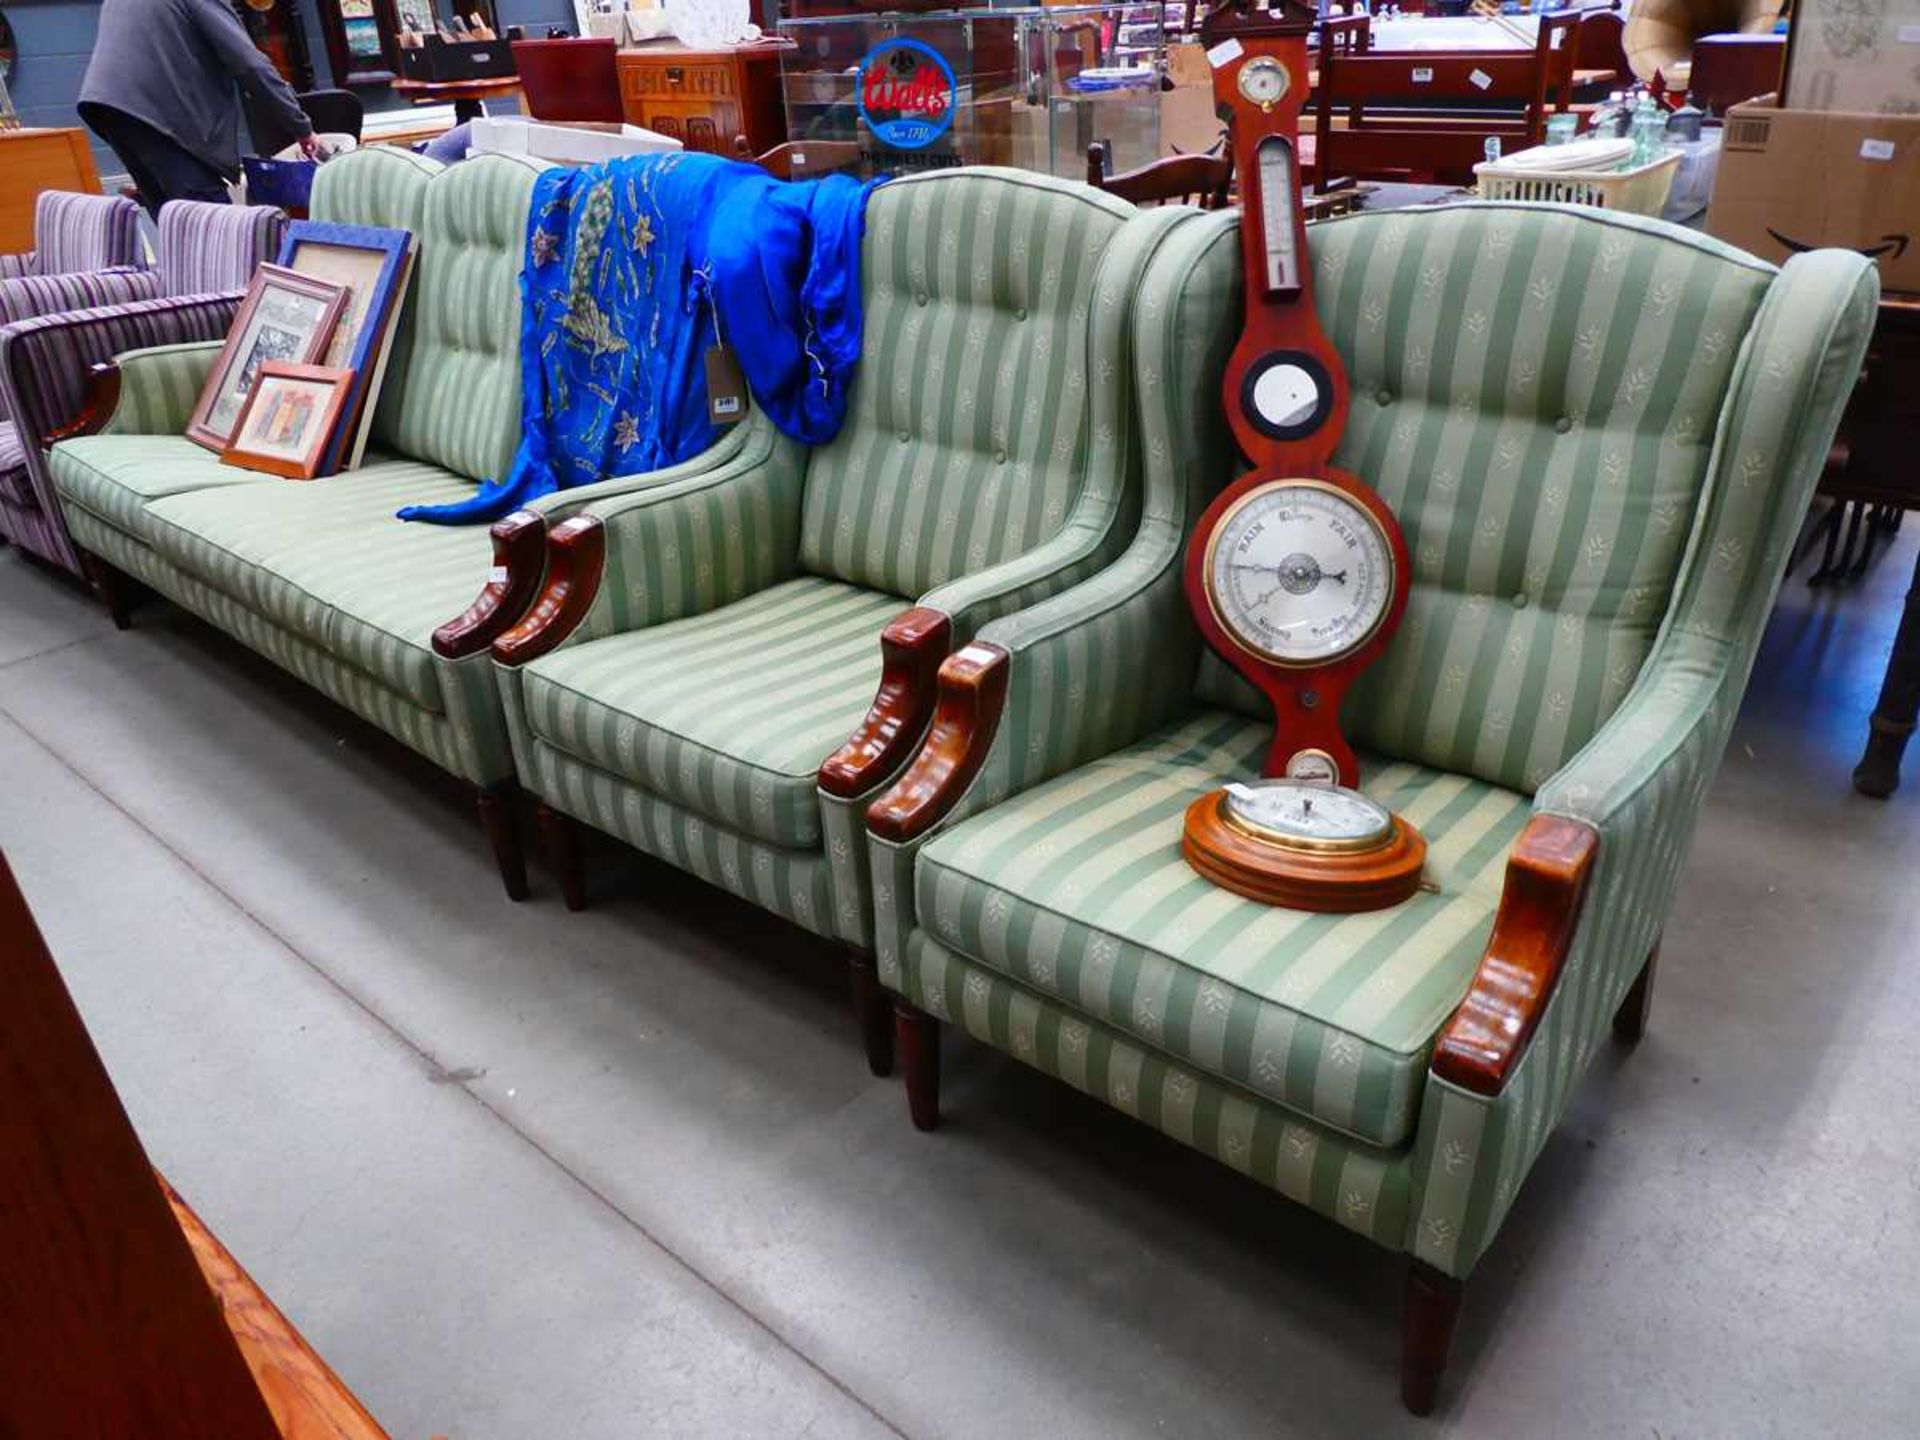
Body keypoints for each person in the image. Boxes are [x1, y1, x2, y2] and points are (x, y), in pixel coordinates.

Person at [78, 0, 318, 217]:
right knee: (212, 226)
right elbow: (251, 65)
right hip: (160, 115)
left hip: (112, 109)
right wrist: (301, 126)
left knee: (175, 226)